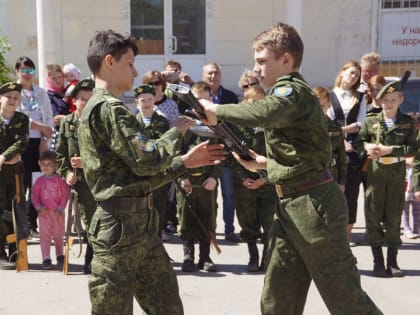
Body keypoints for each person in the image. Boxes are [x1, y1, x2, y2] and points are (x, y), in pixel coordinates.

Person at [200, 22, 382, 314]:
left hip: (314, 208)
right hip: (292, 207)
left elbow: (267, 111)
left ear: (285, 60)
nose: (257, 68)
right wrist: (262, 164)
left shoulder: (291, 90)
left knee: (345, 299)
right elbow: (301, 158)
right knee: (278, 298)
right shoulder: (288, 95)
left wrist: (216, 110)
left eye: (262, 61)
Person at [77, 30, 226, 315]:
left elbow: (136, 179)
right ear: (109, 61)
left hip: (139, 223)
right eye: (129, 63)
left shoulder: (106, 107)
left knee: (167, 307)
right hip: (118, 227)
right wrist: (177, 130)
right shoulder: (108, 109)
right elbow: (147, 160)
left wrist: (185, 163)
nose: (135, 72)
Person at [357, 80, 417, 277]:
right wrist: (366, 148)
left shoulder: (407, 123)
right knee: (373, 216)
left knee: (393, 217)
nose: (389, 104)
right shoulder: (371, 121)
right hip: (376, 173)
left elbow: (413, 148)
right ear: (380, 101)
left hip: (396, 173)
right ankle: (377, 261)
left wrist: (389, 149)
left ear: (400, 100)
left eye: (393, 100)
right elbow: (360, 141)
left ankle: (392, 261)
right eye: (385, 100)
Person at [177, 81, 220, 272]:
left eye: (204, 98)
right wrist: (183, 176)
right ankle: (188, 256)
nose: (201, 103)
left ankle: (205, 257)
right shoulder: (183, 123)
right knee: (186, 218)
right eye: (197, 99)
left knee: (207, 218)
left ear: (210, 99)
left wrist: (214, 177)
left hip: (206, 181)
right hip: (187, 181)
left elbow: (223, 153)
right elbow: (175, 151)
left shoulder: (216, 123)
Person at [231, 84, 275, 272]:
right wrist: (243, 177)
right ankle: (252, 255)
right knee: (247, 220)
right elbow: (231, 156)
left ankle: (267, 255)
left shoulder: (272, 127)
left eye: (260, 102)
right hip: (245, 184)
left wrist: (264, 179)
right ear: (245, 103)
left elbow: (277, 156)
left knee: (269, 221)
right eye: (252, 103)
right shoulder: (237, 127)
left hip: (269, 183)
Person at [56, 78, 95, 274]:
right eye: (82, 99)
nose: (85, 103)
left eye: (90, 99)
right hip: (77, 183)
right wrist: (67, 173)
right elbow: (60, 153)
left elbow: (108, 155)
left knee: (94, 221)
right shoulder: (67, 123)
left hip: (98, 182)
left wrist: (86, 162)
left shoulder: (99, 123)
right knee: (82, 222)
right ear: (75, 101)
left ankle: (92, 257)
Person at [15, 56, 54, 237]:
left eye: (30, 70)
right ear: (18, 72)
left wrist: (45, 138)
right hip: (21, 143)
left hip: (39, 143)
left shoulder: (41, 92)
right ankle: (19, 223)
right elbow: (21, 118)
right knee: (20, 185)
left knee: (36, 183)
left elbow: (48, 116)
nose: (27, 74)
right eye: (23, 70)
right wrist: (42, 127)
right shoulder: (14, 91)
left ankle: (32, 223)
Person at [327, 60, 365, 244]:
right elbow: (327, 121)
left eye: (357, 75)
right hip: (334, 150)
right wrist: (341, 137)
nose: (354, 77)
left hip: (353, 152)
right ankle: (333, 231)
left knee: (351, 192)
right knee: (333, 191)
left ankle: (347, 232)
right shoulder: (330, 95)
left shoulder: (360, 97)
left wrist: (342, 132)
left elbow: (360, 123)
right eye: (351, 72)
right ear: (342, 72)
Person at [202, 62, 240, 242]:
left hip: (225, 152)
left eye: (216, 73)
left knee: (228, 193)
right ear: (204, 76)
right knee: (208, 194)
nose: (213, 76)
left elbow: (234, 121)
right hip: (206, 152)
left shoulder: (231, 96)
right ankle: (209, 231)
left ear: (221, 75)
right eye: (209, 73)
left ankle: (229, 229)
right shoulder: (199, 97)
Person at [133, 83, 171, 241]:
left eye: (150, 99)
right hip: (139, 172)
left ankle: (158, 231)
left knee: (159, 203)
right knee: (140, 205)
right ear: (137, 102)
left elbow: (164, 144)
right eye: (143, 100)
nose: (147, 103)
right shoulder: (132, 122)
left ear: (154, 100)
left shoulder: (162, 121)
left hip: (158, 169)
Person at [0, 82, 28, 267]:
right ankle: (0, 251)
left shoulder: (22, 119)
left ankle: (16, 251)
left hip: (15, 174)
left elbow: (22, 143)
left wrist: (3, 156)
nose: (12, 100)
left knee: (15, 211)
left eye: (16, 98)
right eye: (8, 96)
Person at [31, 150, 69, 270]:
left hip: (58, 214)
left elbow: (65, 195)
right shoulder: (39, 181)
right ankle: (46, 258)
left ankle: (60, 256)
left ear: (55, 165)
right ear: (39, 164)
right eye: (43, 164)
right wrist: (38, 208)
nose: (45, 167)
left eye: (48, 164)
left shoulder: (60, 180)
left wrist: (61, 208)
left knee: (58, 236)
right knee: (45, 237)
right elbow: (34, 196)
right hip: (44, 215)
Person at [314, 86, 347, 190]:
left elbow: (341, 157)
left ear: (329, 105)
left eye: (322, 106)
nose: (319, 110)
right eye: (316, 106)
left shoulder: (335, 128)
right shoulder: (303, 128)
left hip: (331, 175)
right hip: (310, 177)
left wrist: (342, 182)